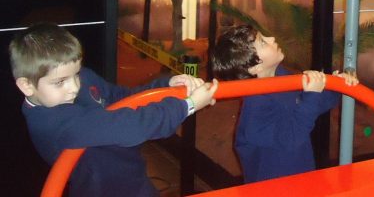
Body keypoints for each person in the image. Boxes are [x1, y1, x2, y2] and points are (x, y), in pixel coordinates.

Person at [9, 22, 218, 197]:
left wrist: (167, 86)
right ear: (27, 86)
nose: (74, 87)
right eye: (60, 82)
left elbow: (122, 97)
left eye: (76, 74)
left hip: (134, 182)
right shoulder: (54, 123)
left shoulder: (76, 80)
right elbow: (131, 126)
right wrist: (188, 105)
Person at [210, 24, 358, 183]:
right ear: (255, 67)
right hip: (273, 188)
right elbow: (292, 136)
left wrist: (336, 86)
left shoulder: (282, 77)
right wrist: (312, 94)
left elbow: (313, 105)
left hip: (301, 179)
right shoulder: (255, 106)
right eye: (263, 42)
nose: (272, 38)